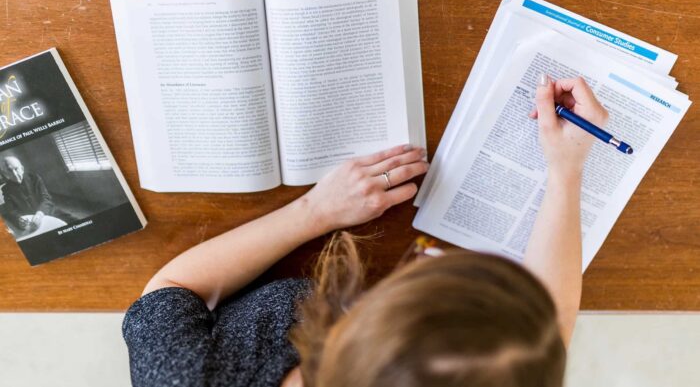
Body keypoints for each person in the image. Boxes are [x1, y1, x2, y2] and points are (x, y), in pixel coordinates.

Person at [123, 75, 609, 387]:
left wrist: (314, 211)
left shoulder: (185, 380)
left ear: (358, 326)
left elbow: (169, 292)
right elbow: (544, 328)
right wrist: (566, 172)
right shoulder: (485, 370)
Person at [0, 155, 78, 231]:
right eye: (9, 171)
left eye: (16, 169)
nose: (15, 174)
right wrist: (18, 219)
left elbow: (46, 199)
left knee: (75, 222)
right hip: (28, 221)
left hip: (48, 212)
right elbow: (10, 210)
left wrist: (39, 214)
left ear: (22, 168)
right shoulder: (6, 189)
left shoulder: (34, 178)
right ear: (6, 174)